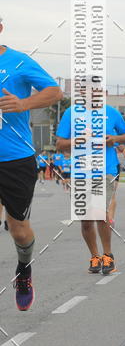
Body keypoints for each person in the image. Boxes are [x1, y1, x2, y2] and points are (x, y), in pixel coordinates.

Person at [0, 19, 62, 309]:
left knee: (18, 228)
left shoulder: (18, 61)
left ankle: (24, 270)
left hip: (14, 158)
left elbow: (54, 92)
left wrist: (23, 104)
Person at [56, 95, 125, 274]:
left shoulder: (111, 112)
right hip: (81, 171)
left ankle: (108, 256)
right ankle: (95, 256)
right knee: (86, 219)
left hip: (106, 169)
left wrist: (114, 139)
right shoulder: (70, 113)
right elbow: (60, 144)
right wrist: (79, 139)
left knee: (100, 212)